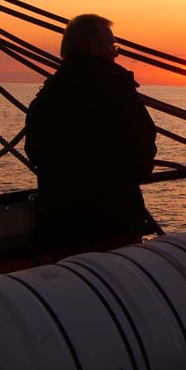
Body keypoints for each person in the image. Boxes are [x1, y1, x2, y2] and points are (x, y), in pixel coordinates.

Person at [25, 14, 157, 256]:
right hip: (112, 223)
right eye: (112, 45)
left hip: (60, 224)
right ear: (94, 47)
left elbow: (34, 150)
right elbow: (143, 144)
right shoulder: (116, 88)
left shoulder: (49, 93)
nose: (115, 52)